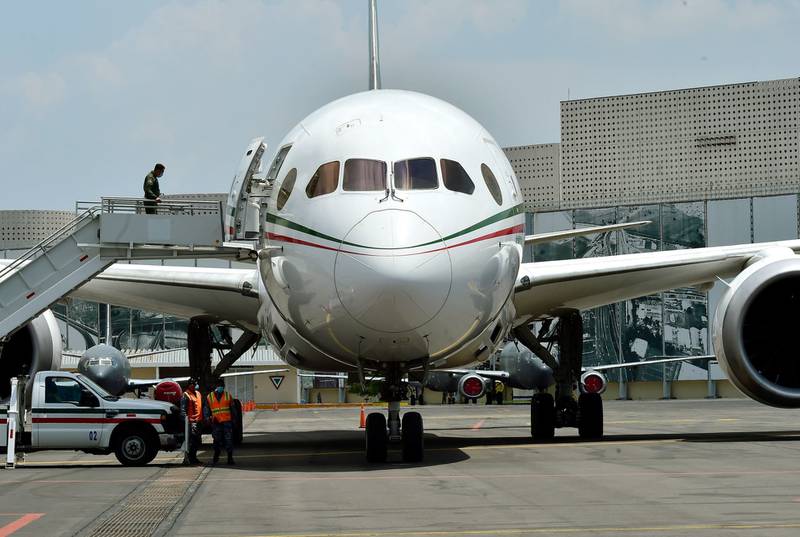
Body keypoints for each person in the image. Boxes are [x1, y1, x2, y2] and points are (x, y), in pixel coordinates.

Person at [203, 379, 235, 465]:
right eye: (219, 386)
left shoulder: (228, 396)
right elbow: (206, 409)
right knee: (216, 440)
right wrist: (207, 418)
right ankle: (216, 455)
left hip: (227, 422)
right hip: (216, 423)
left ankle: (230, 457)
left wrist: (234, 421)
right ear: (215, 387)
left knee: (229, 440)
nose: (221, 387)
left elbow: (233, 410)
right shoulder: (209, 397)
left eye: (222, 386)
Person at [180, 378, 204, 465]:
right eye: (193, 384)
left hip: (198, 421)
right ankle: (189, 458)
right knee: (191, 441)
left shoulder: (198, 394)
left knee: (197, 441)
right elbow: (183, 410)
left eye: (195, 384)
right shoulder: (185, 395)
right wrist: (186, 423)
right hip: (191, 422)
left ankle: (194, 458)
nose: (195, 386)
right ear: (189, 385)